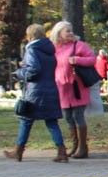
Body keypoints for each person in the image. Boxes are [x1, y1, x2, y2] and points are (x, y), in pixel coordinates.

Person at [5, 24, 69, 163]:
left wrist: (19, 73)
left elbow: (34, 70)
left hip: (35, 91)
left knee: (26, 120)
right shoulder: (49, 50)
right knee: (51, 121)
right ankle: (62, 151)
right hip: (51, 88)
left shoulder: (32, 50)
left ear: (30, 36)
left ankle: (18, 150)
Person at [48, 21, 97, 159]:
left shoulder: (79, 45)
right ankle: (74, 146)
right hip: (62, 88)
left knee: (78, 116)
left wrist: (77, 60)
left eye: (71, 30)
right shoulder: (54, 48)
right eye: (67, 31)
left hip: (77, 87)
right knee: (68, 117)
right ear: (59, 34)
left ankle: (83, 148)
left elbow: (92, 59)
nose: (70, 33)